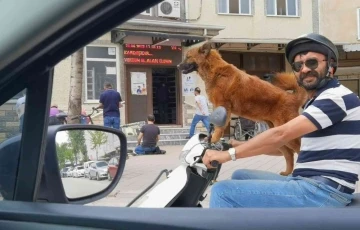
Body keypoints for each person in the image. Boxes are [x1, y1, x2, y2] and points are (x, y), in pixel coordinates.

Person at [203, 33, 360, 208]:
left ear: (331, 65)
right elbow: (282, 146)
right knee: (240, 175)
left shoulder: (335, 97)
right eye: (298, 65)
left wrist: (227, 156)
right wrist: (236, 146)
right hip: (309, 182)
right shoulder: (317, 101)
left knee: (223, 191)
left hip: (323, 190)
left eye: (312, 62)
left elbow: (281, 133)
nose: (305, 69)